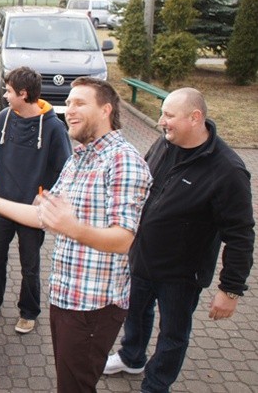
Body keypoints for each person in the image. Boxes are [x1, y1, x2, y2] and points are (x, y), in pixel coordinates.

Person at [0, 77, 152, 393]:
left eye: (80, 103)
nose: (70, 110)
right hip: (67, 299)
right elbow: (42, 217)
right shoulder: (79, 159)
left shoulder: (122, 160)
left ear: (106, 110)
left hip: (94, 307)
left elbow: (125, 239)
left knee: (75, 387)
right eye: (69, 103)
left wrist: (72, 228)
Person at [103, 88, 255, 392]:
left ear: (195, 118)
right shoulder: (165, 143)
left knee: (173, 333)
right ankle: (132, 356)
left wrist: (231, 289)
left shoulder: (228, 170)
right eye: (162, 114)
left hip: (181, 274)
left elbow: (240, 235)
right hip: (142, 256)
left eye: (169, 115)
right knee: (135, 311)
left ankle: (156, 384)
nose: (161, 121)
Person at [0, 67, 71, 335]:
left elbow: (64, 169)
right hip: (2, 203)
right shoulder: (3, 118)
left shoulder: (54, 128)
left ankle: (29, 312)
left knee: (30, 266)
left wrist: (44, 194)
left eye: (9, 91)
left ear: (23, 94)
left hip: (31, 211)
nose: (5, 94)